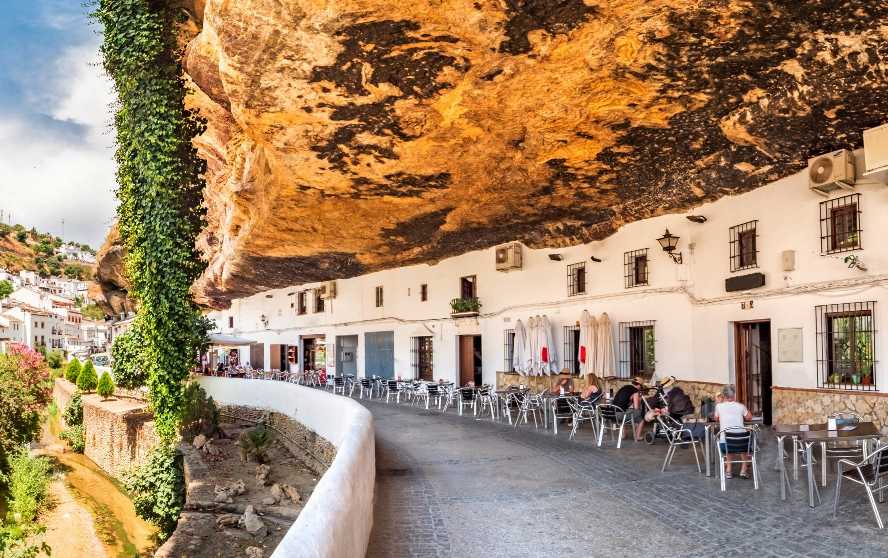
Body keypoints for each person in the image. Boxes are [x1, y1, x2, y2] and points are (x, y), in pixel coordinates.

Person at [714, 385, 753, 479]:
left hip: (726, 445)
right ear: (734, 395)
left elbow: (716, 419)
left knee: (727, 440)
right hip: (742, 444)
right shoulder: (741, 406)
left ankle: (729, 470)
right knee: (742, 440)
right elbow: (749, 417)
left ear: (724, 395)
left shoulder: (719, 406)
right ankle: (743, 470)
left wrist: (719, 403)